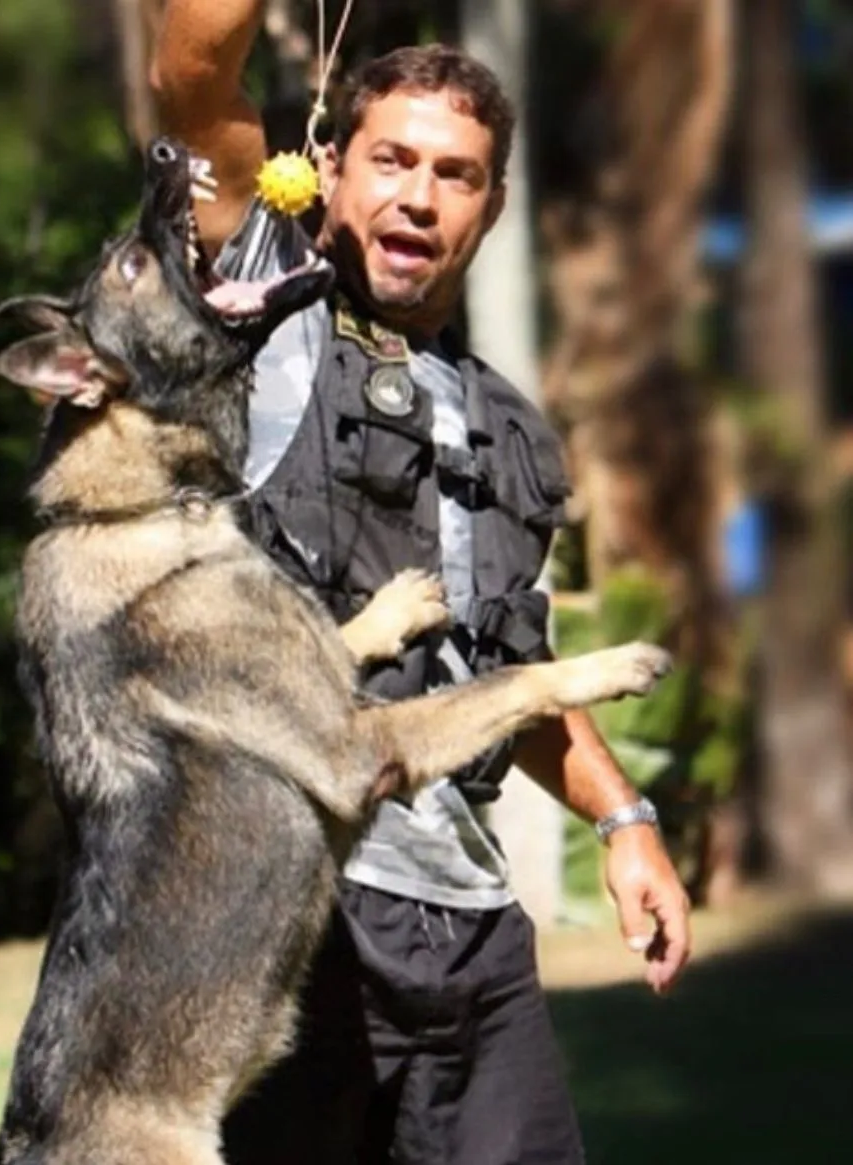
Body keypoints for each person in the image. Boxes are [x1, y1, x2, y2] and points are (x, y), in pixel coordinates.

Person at [151, 6, 693, 1164]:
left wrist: (625, 819)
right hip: (280, 915)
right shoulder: (258, 303)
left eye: (457, 175)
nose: (419, 195)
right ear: (329, 170)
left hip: (469, 935)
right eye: (391, 160)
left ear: (490, 208)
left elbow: (505, 670)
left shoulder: (510, 431)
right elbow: (194, 67)